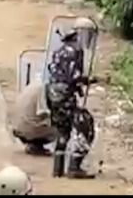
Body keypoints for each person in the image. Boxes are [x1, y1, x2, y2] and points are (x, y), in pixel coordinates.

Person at [46, 17, 97, 178]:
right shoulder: (76, 51)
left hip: (52, 94)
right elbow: (74, 77)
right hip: (64, 95)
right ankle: (75, 166)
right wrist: (89, 80)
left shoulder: (61, 49)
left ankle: (58, 169)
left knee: (63, 131)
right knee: (85, 125)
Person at [10, 80, 56, 156]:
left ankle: (33, 144)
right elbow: (42, 112)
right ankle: (36, 146)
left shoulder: (36, 84)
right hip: (27, 129)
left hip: (17, 126)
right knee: (61, 128)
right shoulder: (44, 90)